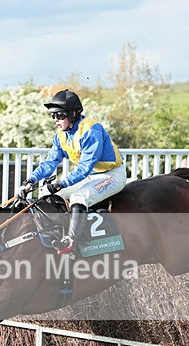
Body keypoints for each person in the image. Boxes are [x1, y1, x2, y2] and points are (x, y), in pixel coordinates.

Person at [18, 89, 126, 254]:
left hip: (111, 175)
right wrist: (30, 180)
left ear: (73, 114)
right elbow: (49, 162)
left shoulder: (91, 130)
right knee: (47, 194)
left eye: (59, 115)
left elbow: (84, 169)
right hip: (91, 176)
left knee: (78, 197)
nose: (55, 120)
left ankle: (71, 241)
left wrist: (60, 184)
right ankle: (55, 235)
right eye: (53, 115)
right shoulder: (61, 135)